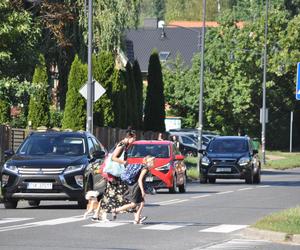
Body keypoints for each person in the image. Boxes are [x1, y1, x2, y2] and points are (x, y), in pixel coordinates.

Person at [92, 129, 136, 221]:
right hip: (115, 175)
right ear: (129, 137)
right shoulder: (122, 145)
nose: (134, 140)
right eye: (133, 138)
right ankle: (135, 216)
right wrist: (124, 162)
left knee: (109, 195)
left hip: (116, 175)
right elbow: (113, 157)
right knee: (126, 194)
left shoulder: (123, 144)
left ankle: (98, 214)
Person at [113, 155, 155, 224]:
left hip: (134, 187)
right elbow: (140, 180)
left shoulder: (143, 167)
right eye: (153, 161)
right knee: (135, 204)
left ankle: (136, 218)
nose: (154, 163)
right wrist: (142, 190)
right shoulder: (145, 168)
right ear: (149, 162)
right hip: (136, 188)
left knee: (138, 203)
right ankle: (116, 210)